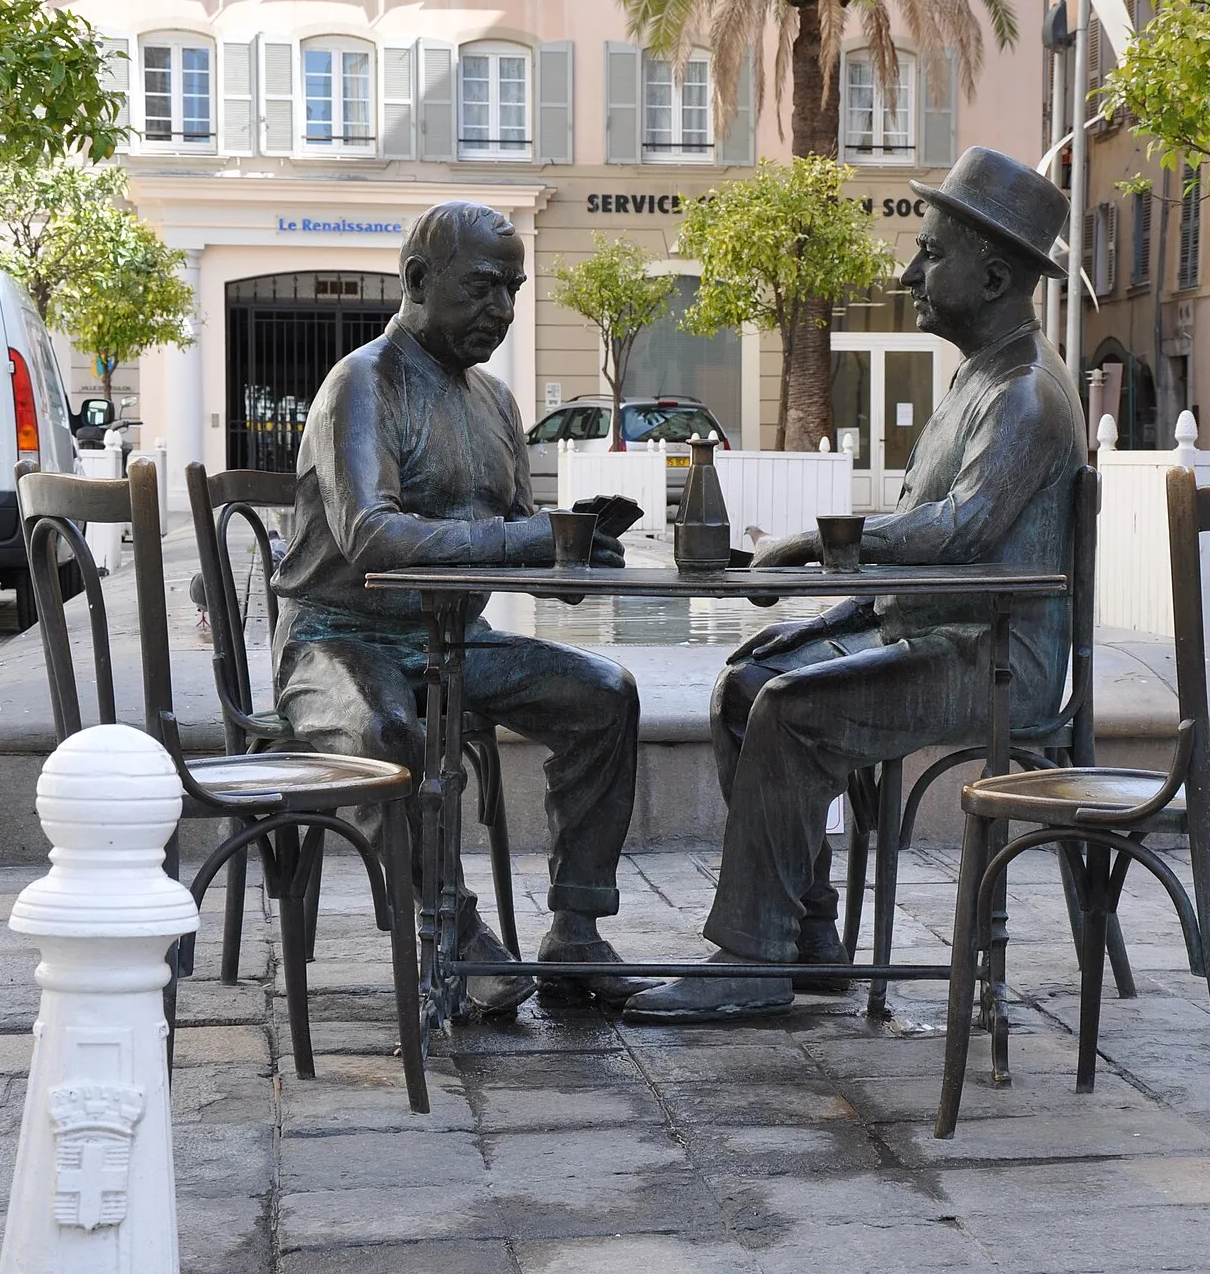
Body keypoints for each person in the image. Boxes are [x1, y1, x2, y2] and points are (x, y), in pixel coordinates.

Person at [624, 147, 1086, 1023]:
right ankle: (806, 931)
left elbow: (963, 530)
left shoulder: (1024, 395)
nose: (910, 270)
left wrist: (813, 543)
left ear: (991, 277)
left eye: (931, 253)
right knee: (747, 683)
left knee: (791, 713)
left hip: (994, 658)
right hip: (945, 632)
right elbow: (934, 547)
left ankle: (750, 963)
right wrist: (829, 615)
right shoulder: (980, 378)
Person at [272, 201, 655, 1015]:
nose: (504, 312)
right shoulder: (361, 384)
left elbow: (517, 534)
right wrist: (529, 544)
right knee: (385, 732)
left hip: (455, 640)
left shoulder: (497, 403)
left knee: (604, 694)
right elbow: (372, 537)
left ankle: (577, 931)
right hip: (338, 641)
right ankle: (450, 926)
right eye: (484, 289)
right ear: (417, 280)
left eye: (512, 291)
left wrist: (572, 551)